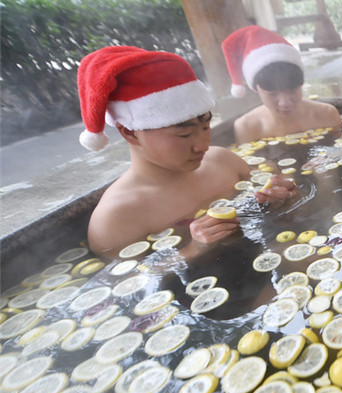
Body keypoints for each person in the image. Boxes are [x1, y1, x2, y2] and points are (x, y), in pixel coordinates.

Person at [77, 46, 297, 259]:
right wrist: (192, 250)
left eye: (205, 127)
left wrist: (281, 198)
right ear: (130, 133)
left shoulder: (222, 160)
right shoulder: (116, 216)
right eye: (183, 135)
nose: (202, 145)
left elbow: (272, 206)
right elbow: (124, 285)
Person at [222, 25, 341, 144]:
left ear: (301, 84)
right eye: (273, 94)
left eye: (292, 91)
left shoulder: (326, 114)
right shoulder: (247, 127)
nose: (285, 103)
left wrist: (327, 158)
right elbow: (245, 162)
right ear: (255, 89)